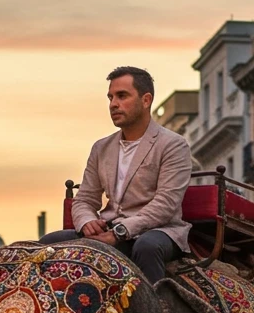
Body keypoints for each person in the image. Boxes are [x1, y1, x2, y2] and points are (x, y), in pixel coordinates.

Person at [42, 66, 193, 284]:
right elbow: (84, 199)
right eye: (110, 97)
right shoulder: (101, 148)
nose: (113, 104)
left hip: (158, 231)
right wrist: (87, 222)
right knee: (49, 242)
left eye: (122, 96)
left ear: (146, 100)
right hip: (108, 229)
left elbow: (166, 204)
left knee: (146, 247)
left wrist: (120, 232)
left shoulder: (173, 145)